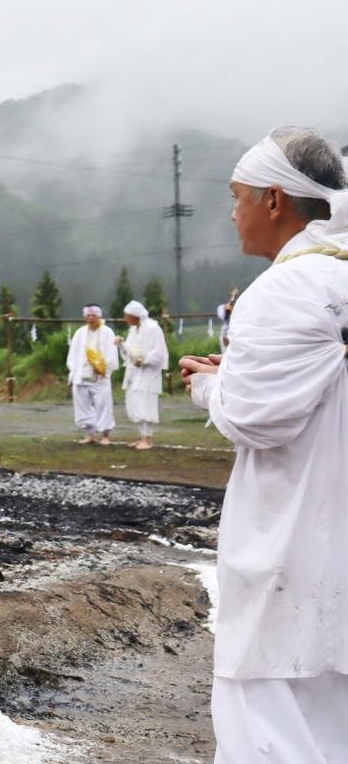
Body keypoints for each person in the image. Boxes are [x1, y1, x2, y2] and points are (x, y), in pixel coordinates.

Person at [180, 126, 348, 763]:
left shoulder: (282, 291)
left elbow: (256, 420)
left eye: (236, 196)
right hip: (338, 552)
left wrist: (208, 390)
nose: (232, 213)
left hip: (291, 549)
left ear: (274, 201)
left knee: (270, 728)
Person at [113, 300, 168, 450]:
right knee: (134, 402)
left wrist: (144, 360)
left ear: (135, 315)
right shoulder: (133, 330)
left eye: (127, 316)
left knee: (146, 403)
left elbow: (158, 353)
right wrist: (122, 345)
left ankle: (148, 439)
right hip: (134, 373)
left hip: (149, 373)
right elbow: (131, 351)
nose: (126, 319)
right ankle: (142, 436)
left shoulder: (152, 328)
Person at [66, 304, 119, 444]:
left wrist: (103, 368)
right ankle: (90, 434)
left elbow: (112, 354)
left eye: (93, 315)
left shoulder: (107, 332)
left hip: (100, 377)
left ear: (99, 316)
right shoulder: (79, 333)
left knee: (103, 405)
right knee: (83, 406)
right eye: (88, 315)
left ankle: (105, 436)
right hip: (81, 376)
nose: (90, 318)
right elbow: (72, 355)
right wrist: (74, 371)